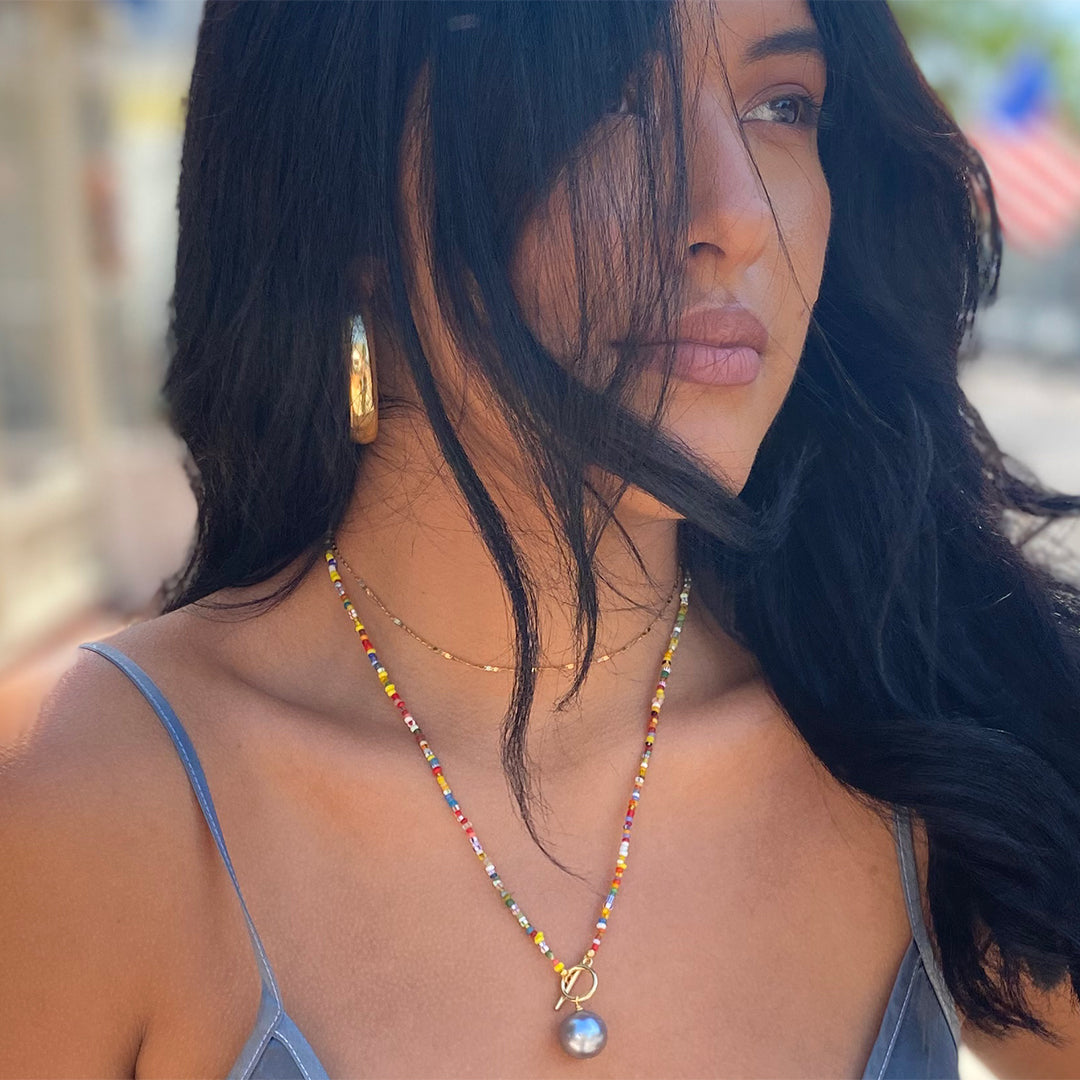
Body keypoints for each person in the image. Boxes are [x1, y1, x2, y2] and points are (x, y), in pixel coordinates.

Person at [3, 1, 1080, 1077]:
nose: (736, 212)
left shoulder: (923, 742)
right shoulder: (91, 806)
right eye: (609, 96)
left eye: (782, 105)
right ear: (349, 197)